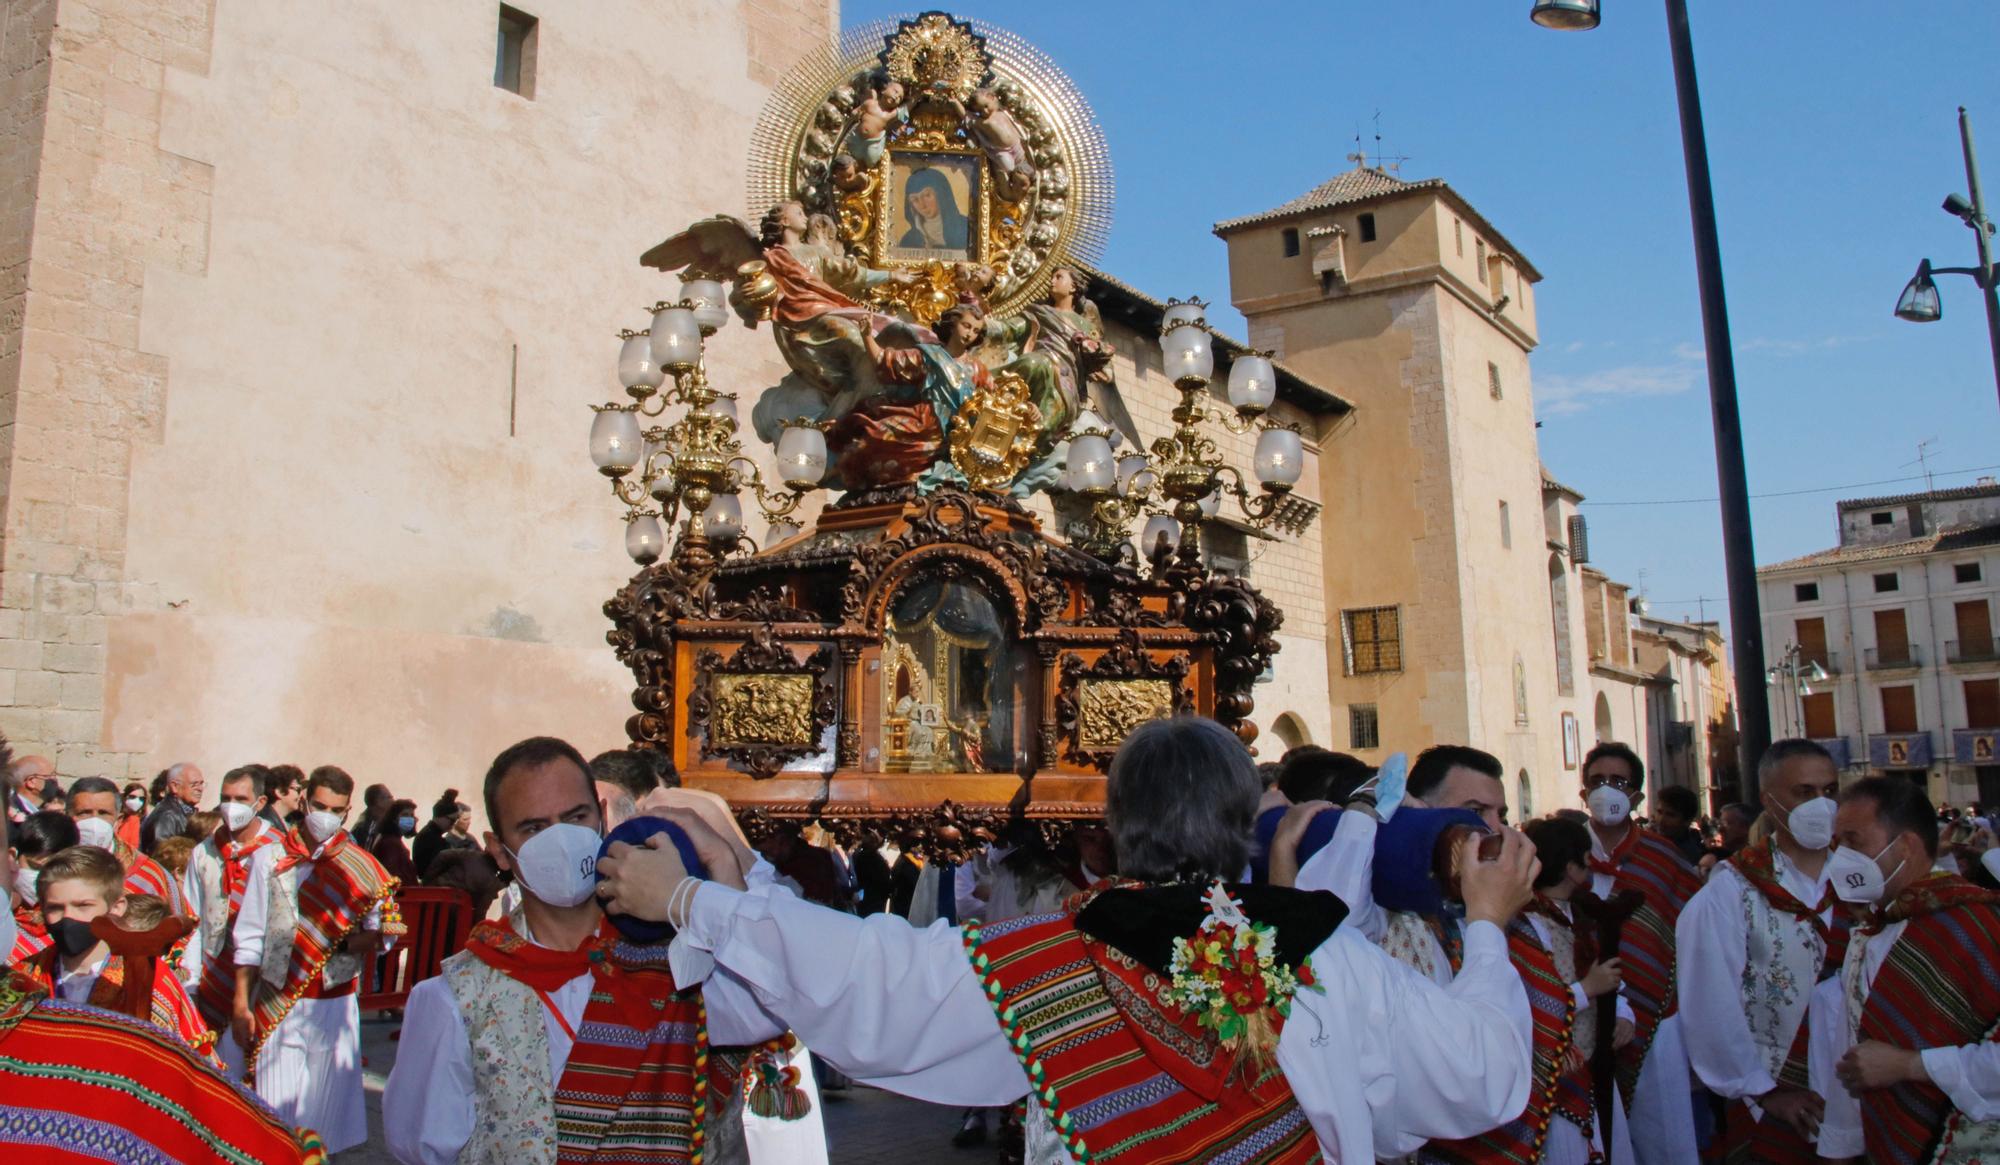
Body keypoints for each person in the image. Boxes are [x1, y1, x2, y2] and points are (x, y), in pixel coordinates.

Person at [599, 717, 1542, 1163]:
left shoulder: (1047, 958)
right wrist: (1490, 926)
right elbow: (1484, 1070)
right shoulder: (1325, 954)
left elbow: (871, 977)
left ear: (1118, 826)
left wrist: (695, 897)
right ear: (1239, 820)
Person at [383, 735, 786, 1164]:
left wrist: (728, 862)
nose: (560, 840)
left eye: (575, 817)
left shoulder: (684, 958)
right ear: (500, 851)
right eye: (534, 828)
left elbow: (771, 1005)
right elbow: (425, 1150)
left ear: (603, 819)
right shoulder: (454, 999)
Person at [1421, 815, 1637, 1165]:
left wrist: (1623, 1013)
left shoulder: (1579, 915)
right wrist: (1587, 990)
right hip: (1549, 1083)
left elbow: (1612, 978)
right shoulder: (1523, 924)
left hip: (1588, 1071)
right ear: (1571, 867)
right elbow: (1525, 1002)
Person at [1806, 776, 2000, 1162]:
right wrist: (1838, 1151)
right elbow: (1855, 1063)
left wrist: (1910, 1066)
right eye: (1836, 844)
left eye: (1853, 841)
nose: (1840, 857)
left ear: (1907, 846)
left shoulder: (1980, 927)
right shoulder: (1873, 931)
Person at [1676, 739, 1843, 1165]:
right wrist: (1762, 1092)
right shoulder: (1733, 891)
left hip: (1861, 1094)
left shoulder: (1861, 879)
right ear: (1770, 800)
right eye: (1805, 793)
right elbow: (1710, 1002)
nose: (1821, 805)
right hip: (1777, 1100)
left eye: (1830, 791)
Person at [230, 765, 401, 1153]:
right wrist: (241, 1002)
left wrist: (340, 944)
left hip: (334, 1003)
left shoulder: (363, 867)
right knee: (272, 1113)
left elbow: (383, 934)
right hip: (278, 997)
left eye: (336, 810)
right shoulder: (270, 857)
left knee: (325, 1124)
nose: (326, 816)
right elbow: (250, 934)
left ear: (347, 811)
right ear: (304, 800)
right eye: (319, 805)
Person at [1578, 742, 1702, 1165]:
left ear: (1636, 796)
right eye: (1597, 781)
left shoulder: (1663, 859)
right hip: (1582, 1016)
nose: (1606, 789)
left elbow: (1691, 938)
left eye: (1618, 782)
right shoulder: (1563, 856)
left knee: (1666, 1140)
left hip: (1657, 1024)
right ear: (1583, 794)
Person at [17, 844, 213, 1058]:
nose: (68, 918)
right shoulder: (23, 978)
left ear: (117, 907)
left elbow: (193, 1063)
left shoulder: (147, 977)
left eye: (83, 906)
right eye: (55, 908)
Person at [180, 764, 284, 1035]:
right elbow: (192, 917)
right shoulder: (205, 851)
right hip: (212, 973)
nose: (230, 806)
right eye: (225, 799)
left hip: (262, 981)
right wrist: (190, 979)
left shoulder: (280, 851)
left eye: (240, 800)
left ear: (260, 803)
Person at [67, 774, 186, 911]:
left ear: (118, 817)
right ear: (68, 814)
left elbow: (175, 923)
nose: (95, 821)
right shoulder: (49, 863)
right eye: (84, 813)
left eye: (103, 813)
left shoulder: (148, 875)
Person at [8, 810, 77, 961]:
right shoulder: (5, 909)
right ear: (13, 857)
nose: (41, 878)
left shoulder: (75, 917)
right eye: (35, 867)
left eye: (52, 871)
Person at [896, 166, 970, 251]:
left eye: (927, 195)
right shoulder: (909, 240)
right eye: (915, 200)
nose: (922, 205)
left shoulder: (965, 229)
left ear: (941, 193)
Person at [140, 762, 204, 853]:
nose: (200, 789)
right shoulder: (167, 816)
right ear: (175, 787)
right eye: (194, 784)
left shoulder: (183, 811)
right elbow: (163, 856)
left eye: (201, 783)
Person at [412, 788, 473, 880]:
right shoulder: (430, 837)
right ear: (440, 817)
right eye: (452, 820)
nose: (453, 825)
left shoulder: (430, 834)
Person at [1651, 785, 1708, 866]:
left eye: (1670, 815)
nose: (1661, 820)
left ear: (1687, 821)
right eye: (1659, 812)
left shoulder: (1688, 857)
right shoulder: (1649, 844)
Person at [369, 797, 421, 884]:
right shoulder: (390, 843)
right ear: (394, 818)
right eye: (405, 815)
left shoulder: (393, 840)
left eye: (411, 815)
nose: (409, 818)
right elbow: (392, 875)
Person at [348, 780, 393, 850]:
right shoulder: (365, 828)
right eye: (389, 797)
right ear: (378, 801)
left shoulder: (386, 824)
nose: (393, 801)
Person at [262, 764, 305, 831]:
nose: (301, 795)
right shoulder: (266, 825)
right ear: (280, 792)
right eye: (298, 790)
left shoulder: (287, 822)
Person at [116, 779, 148, 850]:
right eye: (132, 797)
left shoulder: (139, 820)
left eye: (141, 798)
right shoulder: (116, 816)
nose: (137, 801)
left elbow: (133, 847)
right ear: (124, 797)